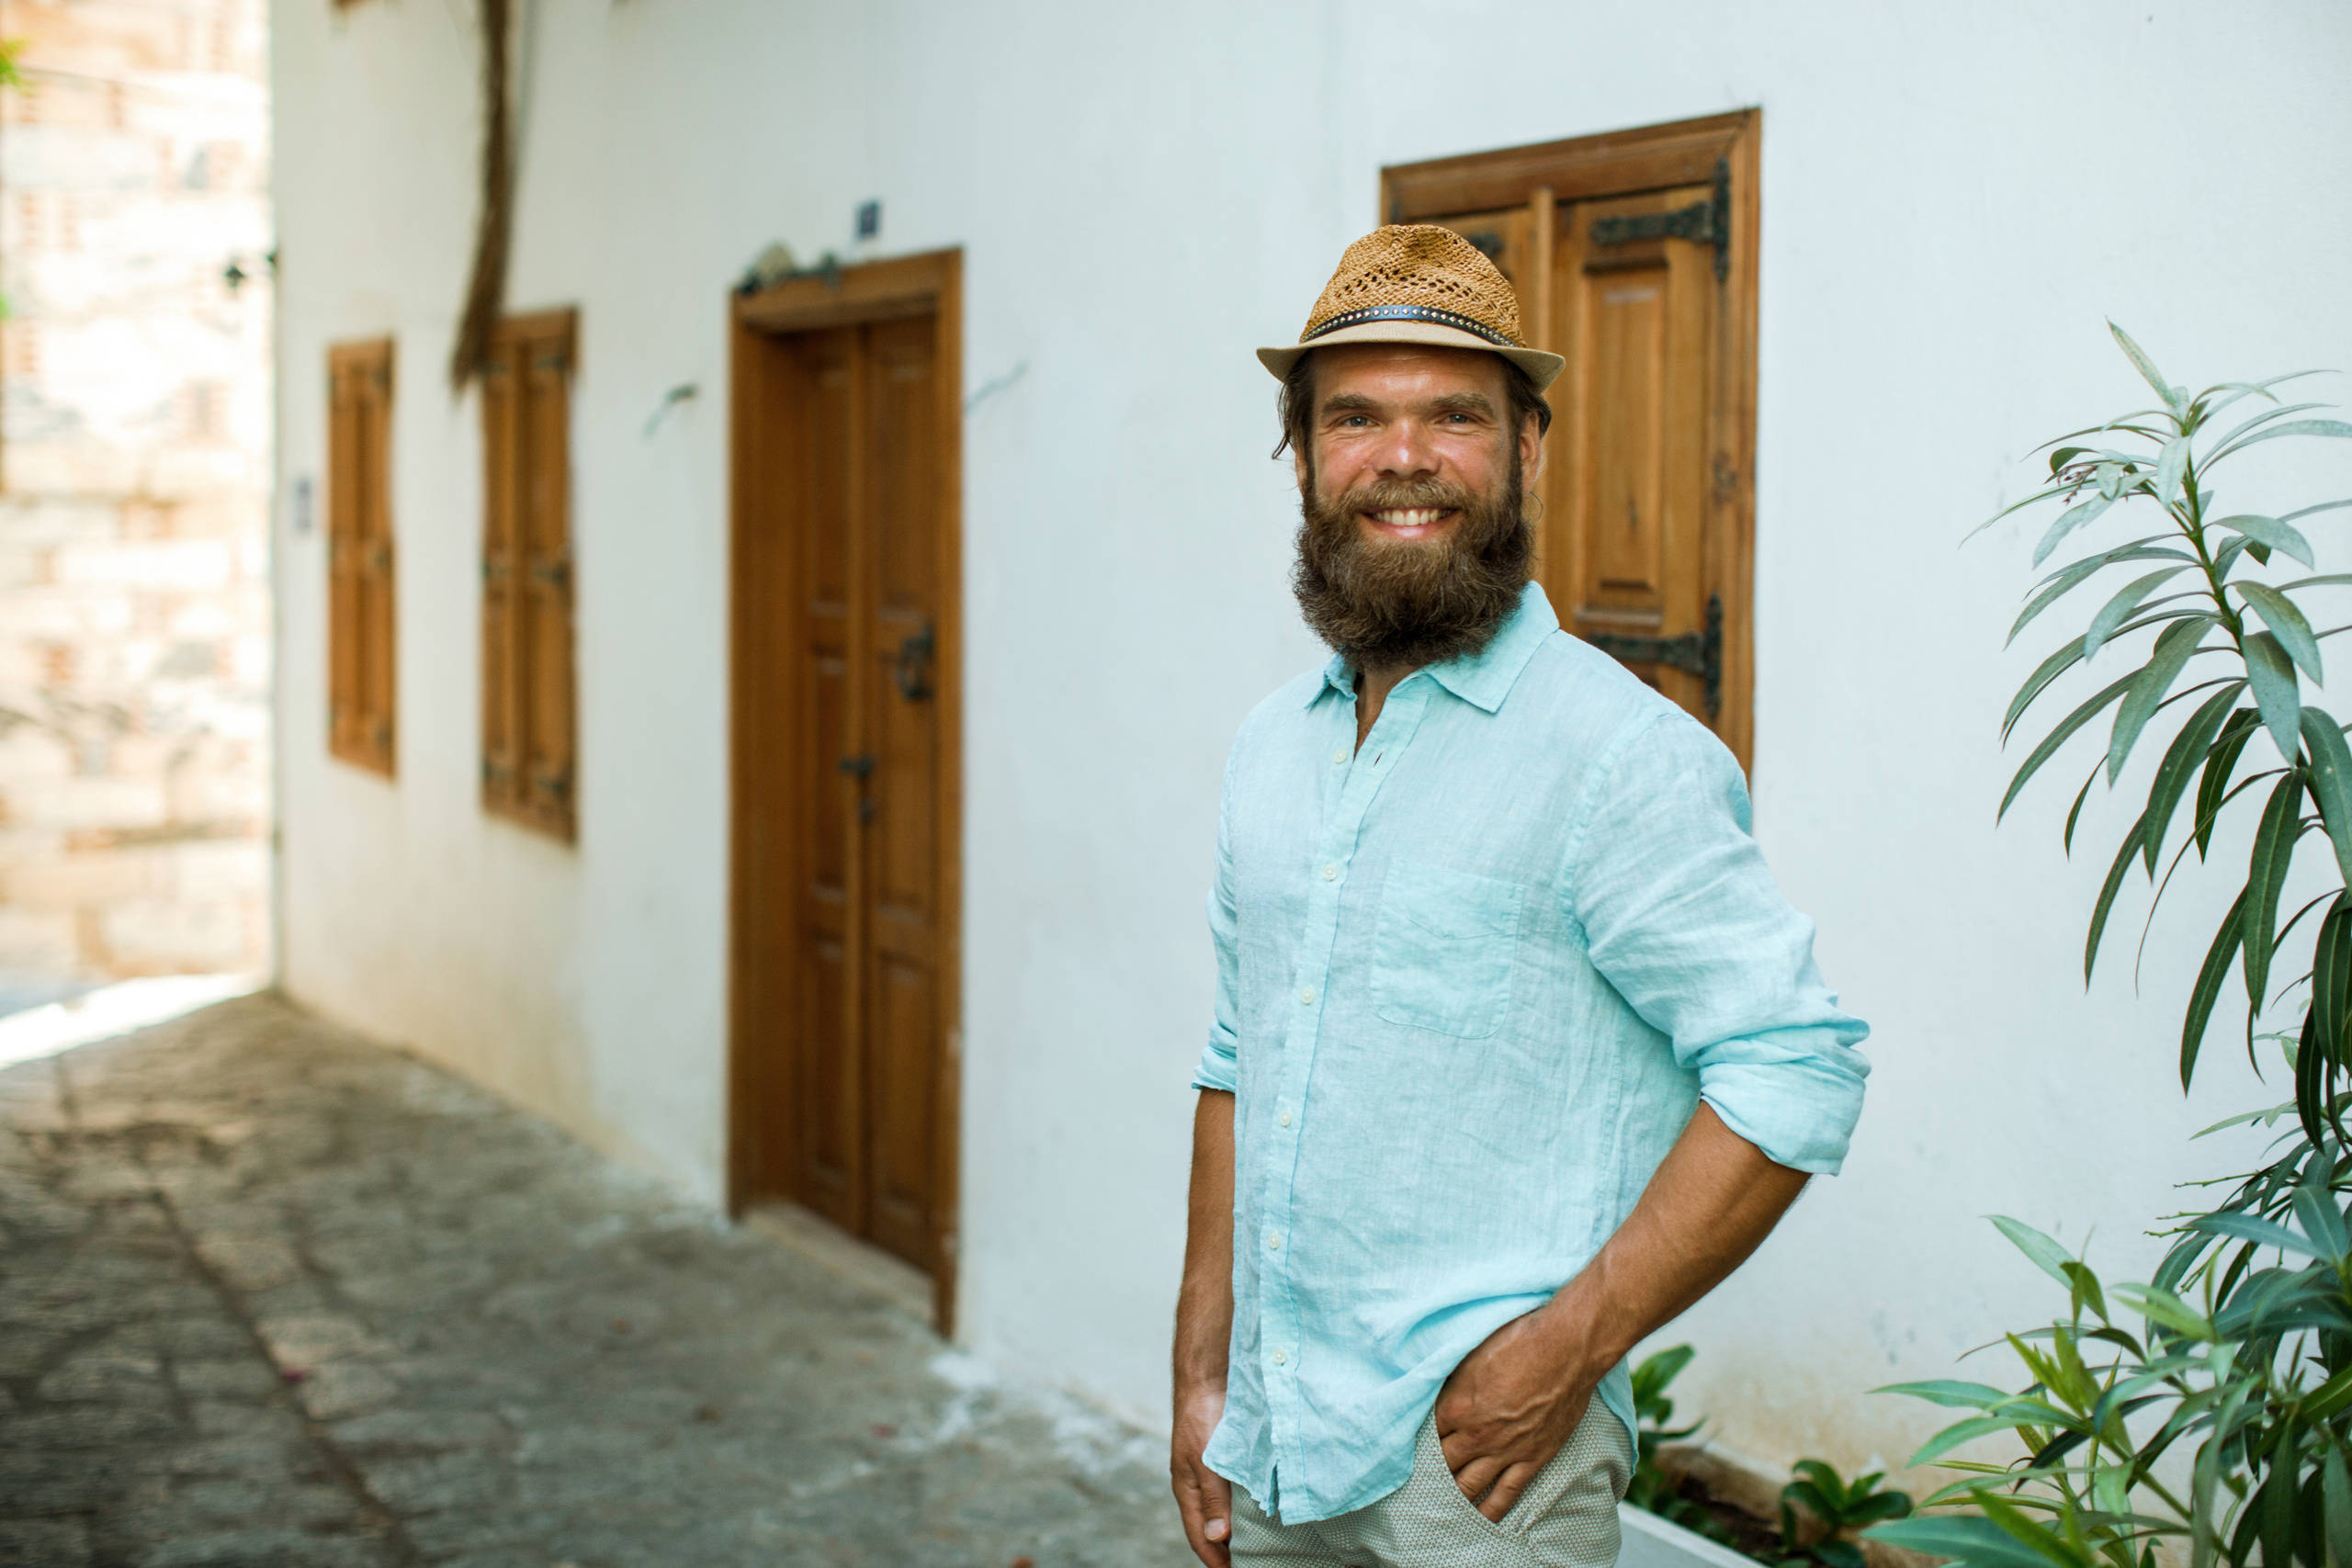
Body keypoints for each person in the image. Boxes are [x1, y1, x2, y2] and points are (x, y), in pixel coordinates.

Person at [1169, 225, 1871, 1568]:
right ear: (1302, 454)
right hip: (1273, 1437)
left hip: (1481, 1471)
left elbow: (1797, 1068)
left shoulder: (1620, 755)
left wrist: (1567, 1350)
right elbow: (1236, 1060)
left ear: (1528, 448)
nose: (1405, 456)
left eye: (1456, 415)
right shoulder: (1270, 750)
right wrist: (1204, 1375)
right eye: (1355, 417)